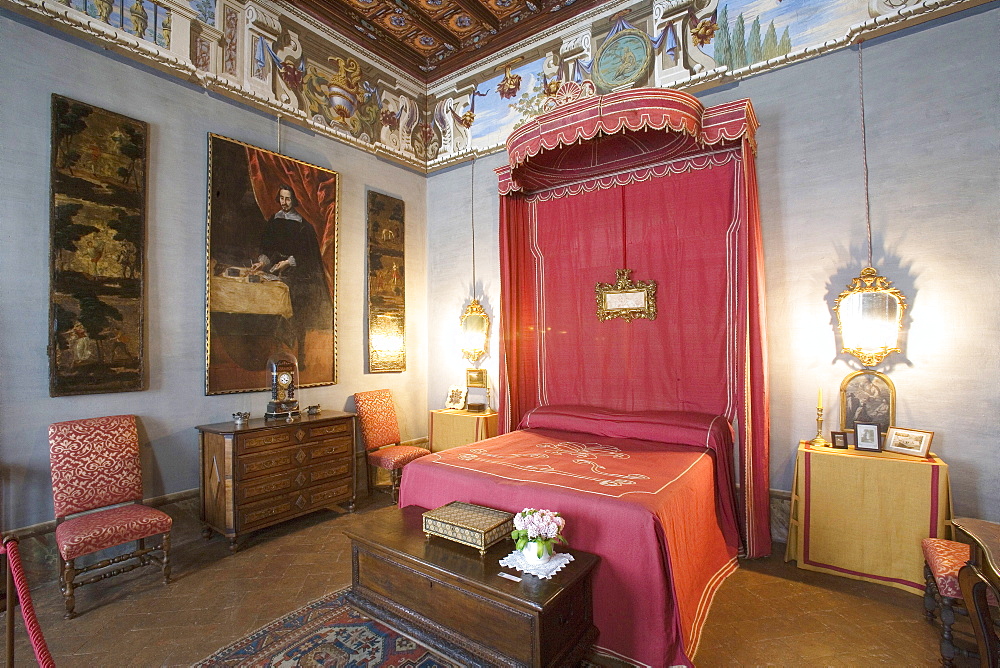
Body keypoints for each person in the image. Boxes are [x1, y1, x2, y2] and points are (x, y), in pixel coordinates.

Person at [251, 185, 332, 367]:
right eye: (281, 198)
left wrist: (288, 262)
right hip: (274, 271)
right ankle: (274, 353)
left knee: (293, 305)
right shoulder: (274, 220)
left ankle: (299, 356)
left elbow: (308, 256)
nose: (284, 202)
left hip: (298, 275)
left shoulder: (304, 226)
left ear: (294, 200)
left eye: (287, 199)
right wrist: (262, 262)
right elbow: (267, 247)